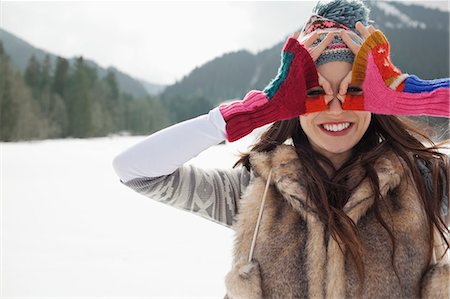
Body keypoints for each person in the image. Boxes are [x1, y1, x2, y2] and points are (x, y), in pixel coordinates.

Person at [113, 0, 450, 297]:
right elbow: (135, 169)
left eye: (353, 91)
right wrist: (254, 111)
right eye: (315, 92)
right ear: (292, 103)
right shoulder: (255, 193)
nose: (335, 108)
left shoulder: (426, 185)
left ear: (379, 100)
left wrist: (417, 95)